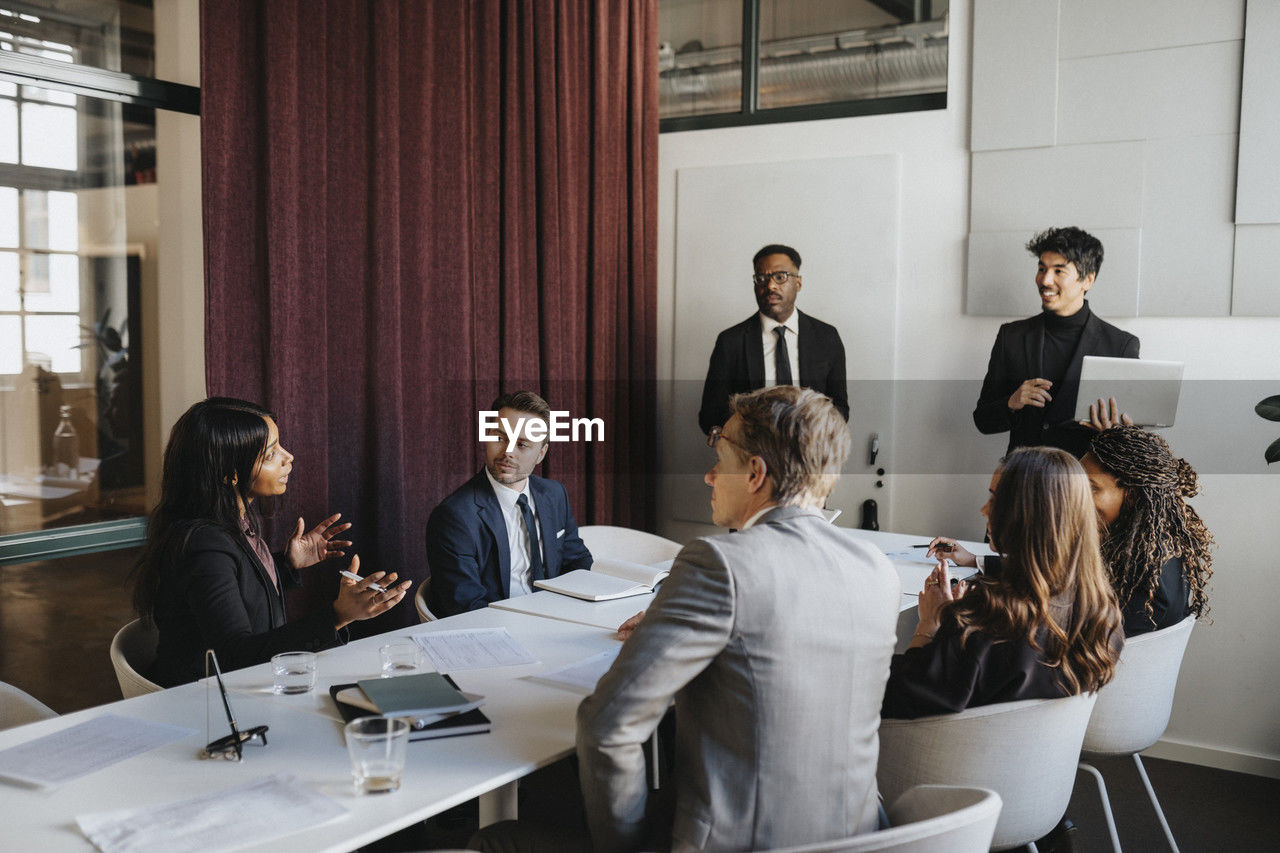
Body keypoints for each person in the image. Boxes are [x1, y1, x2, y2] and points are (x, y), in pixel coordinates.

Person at [577, 386, 899, 851]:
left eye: (720, 459)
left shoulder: (717, 563)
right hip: (860, 838)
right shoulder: (877, 570)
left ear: (754, 473)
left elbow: (606, 726)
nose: (709, 477)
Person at [133, 398, 409, 688]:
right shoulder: (204, 546)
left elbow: (233, 585)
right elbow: (236, 657)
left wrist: (286, 565)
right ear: (231, 474)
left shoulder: (230, 522)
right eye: (270, 454)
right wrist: (338, 615)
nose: (288, 457)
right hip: (207, 703)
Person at [883, 447, 1122, 719]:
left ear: (1031, 514)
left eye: (996, 500)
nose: (984, 510)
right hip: (1046, 760)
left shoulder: (983, 624)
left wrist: (929, 626)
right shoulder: (1103, 614)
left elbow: (899, 697)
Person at [973, 227, 1140, 457]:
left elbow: (1136, 437)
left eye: (1058, 271)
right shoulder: (1010, 337)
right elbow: (983, 420)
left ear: (1088, 280)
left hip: (1085, 485)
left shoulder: (1120, 346)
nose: (1045, 280)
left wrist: (1115, 432)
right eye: (1042, 268)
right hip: (1023, 479)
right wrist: (1011, 402)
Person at [426, 391, 592, 618]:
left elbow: (577, 561)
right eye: (500, 438)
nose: (508, 452)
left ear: (541, 453)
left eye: (522, 444)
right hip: (498, 630)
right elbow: (466, 607)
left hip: (559, 618)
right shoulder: (454, 517)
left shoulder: (554, 495)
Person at [697, 244, 849, 434]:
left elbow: (840, 408)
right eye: (761, 278)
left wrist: (811, 432)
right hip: (752, 456)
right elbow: (710, 415)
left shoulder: (826, 337)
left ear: (798, 283)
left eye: (780, 277)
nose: (770, 286)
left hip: (811, 454)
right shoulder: (731, 341)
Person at [1082, 426, 1213, 635]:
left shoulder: (1141, 578)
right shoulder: (1157, 549)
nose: (1075, 496)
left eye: (1091, 488)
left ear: (1132, 496)